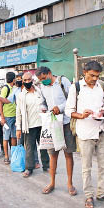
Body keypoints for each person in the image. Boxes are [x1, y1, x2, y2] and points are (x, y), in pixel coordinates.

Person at [66, 61, 104, 206]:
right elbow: (68, 111)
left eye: (97, 76)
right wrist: (81, 115)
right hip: (85, 133)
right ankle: (89, 195)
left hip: (101, 131)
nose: (95, 79)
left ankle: (101, 193)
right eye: (92, 75)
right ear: (84, 72)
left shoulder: (102, 85)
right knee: (86, 167)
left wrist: (102, 111)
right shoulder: (75, 88)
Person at [36, 66, 76, 195]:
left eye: (44, 78)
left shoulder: (62, 81)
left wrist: (60, 107)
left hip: (65, 123)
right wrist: (43, 108)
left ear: (49, 73)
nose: (42, 81)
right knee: (53, 154)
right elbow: (42, 102)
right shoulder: (42, 87)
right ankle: (52, 182)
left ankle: (70, 184)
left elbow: (72, 99)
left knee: (68, 154)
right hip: (52, 124)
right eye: (40, 80)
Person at [16, 72, 50, 177]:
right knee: (30, 148)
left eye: (28, 80)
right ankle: (29, 168)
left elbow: (45, 103)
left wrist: (45, 109)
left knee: (44, 146)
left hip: (41, 123)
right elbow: (18, 112)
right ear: (22, 81)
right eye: (25, 80)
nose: (27, 82)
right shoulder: (21, 95)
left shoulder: (39, 91)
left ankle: (46, 166)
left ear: (32, 80)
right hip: (29, 125)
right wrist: (18, 128)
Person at [0, 72, 17, 164]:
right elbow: (0, 103)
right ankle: (6, 156)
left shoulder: (15, 88)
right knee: (6, 137)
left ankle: (13, 155)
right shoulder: (5, 88)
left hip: (15, 116)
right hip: (7, 117)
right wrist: (2, 117)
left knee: (14, 136)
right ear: (14, 79)